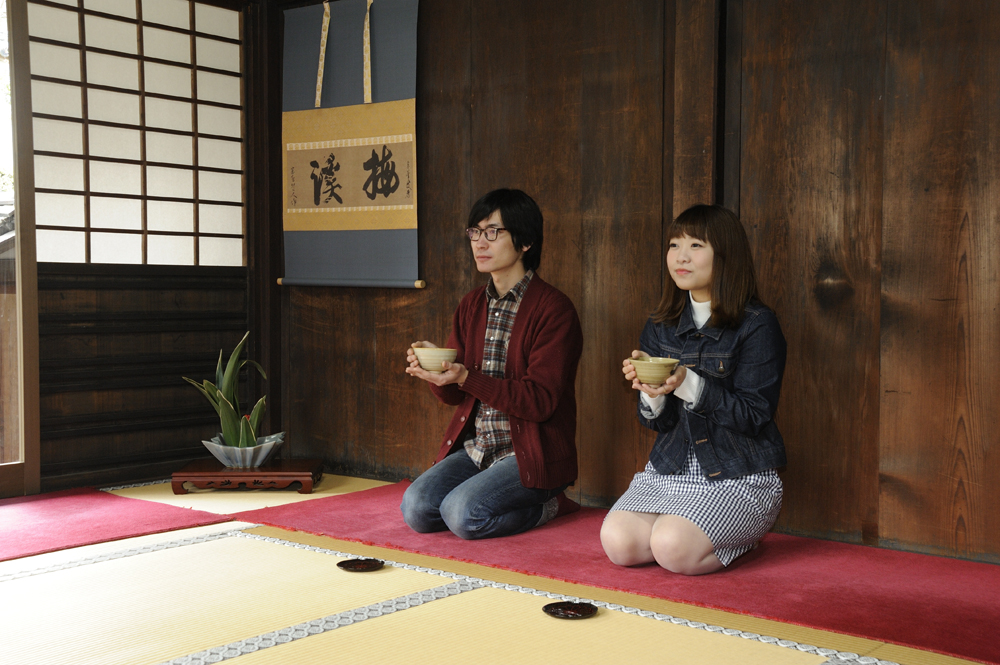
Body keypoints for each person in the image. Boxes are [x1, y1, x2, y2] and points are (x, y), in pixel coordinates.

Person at [601, 204, 786, 575]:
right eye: (673, 245)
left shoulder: (758, 324)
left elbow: (754, 416)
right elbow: (658, 423)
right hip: (671, 469)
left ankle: (744, 534)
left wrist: (689, 384)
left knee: (672, 547)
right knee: (619, 544)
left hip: (737, 474)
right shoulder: (660, 325)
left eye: (696, 245)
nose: (680, 257)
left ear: (725, 255)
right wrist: (650, 393)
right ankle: (686, 528)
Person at [400, 188, 584, 540]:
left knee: (462, 514)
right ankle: (486, 494)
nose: (480, 243)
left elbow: (541, 400)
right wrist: (434, 375)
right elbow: (456, 397)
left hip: (531, 453)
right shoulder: (472, 304)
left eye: (493, 232)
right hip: (480, 446)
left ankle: (552, 504)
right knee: (416, 509)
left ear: (525, 241)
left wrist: (468, 377)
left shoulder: (554, 309)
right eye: (475, 232)